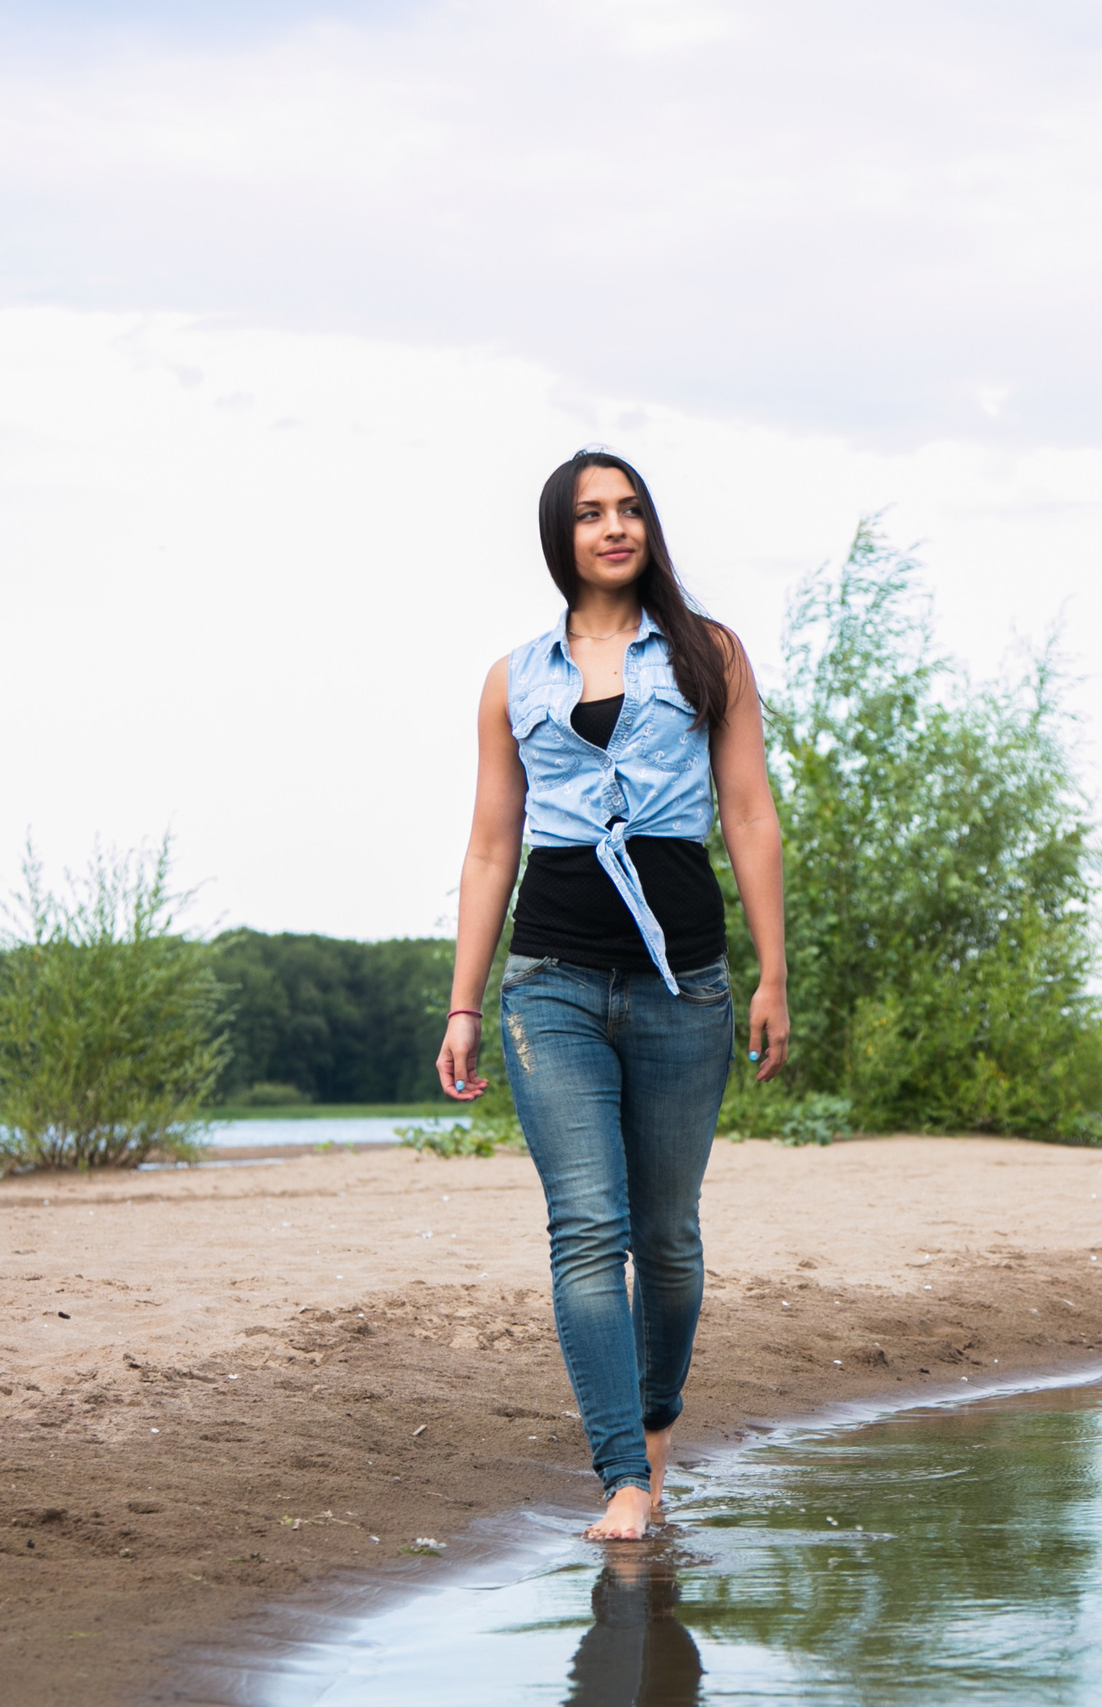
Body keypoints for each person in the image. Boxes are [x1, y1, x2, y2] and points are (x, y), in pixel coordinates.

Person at [438, 449, 789, 1541]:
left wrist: (773, 973)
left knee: (668, 1237)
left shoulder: (708, 653)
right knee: (589, 1228)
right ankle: (623, 1479)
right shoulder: (513, 679)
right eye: (591, 513)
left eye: (629, 508)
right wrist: (462, 1003)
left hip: (686, 984)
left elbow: (749, 814)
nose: (614, 526)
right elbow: (491, 846)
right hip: (550, 983)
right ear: (563, 535)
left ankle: (655, 1421)